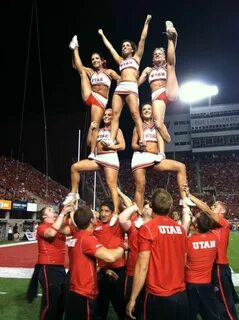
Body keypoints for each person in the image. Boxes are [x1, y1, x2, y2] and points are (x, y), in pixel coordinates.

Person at [127, 188, 189, 320]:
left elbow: (142, 266)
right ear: (170, 207)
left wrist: (133, 298)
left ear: (152, 206)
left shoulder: (147, 228)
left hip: (158, 296)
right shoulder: (181, 230)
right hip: (181, 294)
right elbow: (184, 260)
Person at [98, 14, 152, 147]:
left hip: (131, 87)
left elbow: (142, 39)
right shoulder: (120, 61)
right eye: (123, 46)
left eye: (127, 46)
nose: (124, 47)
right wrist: (102, 35)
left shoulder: (136, 58)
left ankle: (142, 138)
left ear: (132, 49)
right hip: (120, 88)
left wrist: (146, 22)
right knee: (115, 114)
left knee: (135, 114)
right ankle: (111, 139)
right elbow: (110, 49)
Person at [63, 108, 125, 223]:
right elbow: (89, 142)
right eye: (104, 114)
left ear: (113, 117)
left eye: (109, 115)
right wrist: (91, 129)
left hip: (110, 157)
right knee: (75, 167)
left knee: (111, 186)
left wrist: (111, 146)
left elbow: (122, 146)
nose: (106, 116)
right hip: (97, 158)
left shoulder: (116, 130)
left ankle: (116, 212)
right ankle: (73, 193)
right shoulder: (99, 130)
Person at [184, 191, 239, 320]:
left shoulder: (224, 224)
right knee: (216, 302)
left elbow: (207, 211)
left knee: (226, 303)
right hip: (212, 270)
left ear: (221, 213)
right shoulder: (211, 228)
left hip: (220, 268)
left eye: (214, 207)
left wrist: (190, 196)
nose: (211, 208)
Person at [64, 206, 126, 320]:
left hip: (74, 288)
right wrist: (123, 245)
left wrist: (104, 269)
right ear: (92, 220)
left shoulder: (76, 236)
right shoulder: (87, 238)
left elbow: (83, 261)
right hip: (84, 291)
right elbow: (110, 257)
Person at [131, 103, 195, 212]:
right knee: (140, 187)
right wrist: (141, 147)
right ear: (141, 113)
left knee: (181, 167)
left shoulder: (159, 124)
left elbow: (168, 139)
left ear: (153, 111)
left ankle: (184, 198)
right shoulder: (138, 126)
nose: (146, 111)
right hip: (140, 156)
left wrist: (160, 127)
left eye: (149, 109)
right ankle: (139, 215)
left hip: (155, 157)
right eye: (144, 109)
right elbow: (133, 145)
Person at [69, 36, 120, 158]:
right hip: (90, 95)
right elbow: (76, 66)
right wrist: (73, 55)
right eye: (92, 59)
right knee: (82, 73)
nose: (94, 60)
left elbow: (121, 79)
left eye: (97, 58)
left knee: (94, 124)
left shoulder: (109, 72)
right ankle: (74, 47)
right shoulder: (91, 71)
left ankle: (92, 152)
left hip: (100, 101)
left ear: (102, 60)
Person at [138, 21, 178, 151]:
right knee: (158, 124)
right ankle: (168, 140)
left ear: (164, 57)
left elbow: (171, 57)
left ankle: (171, 36)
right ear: (152, 59)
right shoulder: (148, 70)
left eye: (160, 54)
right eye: (155, 54)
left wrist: (172, 39)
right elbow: (137, 83)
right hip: (157, 96)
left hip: (169, 90)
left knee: (172, 66)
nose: (157, 55)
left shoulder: (167, 65)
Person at [181, 200, 221, 319]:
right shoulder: (215, 237)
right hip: (207, 284)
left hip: (191, 284)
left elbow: (182, 263)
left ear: (196, 225)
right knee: (212, 316)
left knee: (188, 316)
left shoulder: (188, 241)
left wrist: (187, 219)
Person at [35, 204, 74, 320]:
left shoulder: (58, 225)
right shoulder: (42, 226)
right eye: (50, 210)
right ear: (44, 216)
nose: (54, 211)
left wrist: (71, 207)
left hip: (59, 268)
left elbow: (72, 224)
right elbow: (51, 233)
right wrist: (62, 214)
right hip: (48, 267)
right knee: (50, 304)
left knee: (61, 303)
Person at [119, 201, 152, 319]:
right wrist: (134, 207)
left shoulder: (155, 227)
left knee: (145, 308)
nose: (147, 207)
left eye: (150, 207)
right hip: (132, 272)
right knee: (130, 306)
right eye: (146, 206)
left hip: (149, 273)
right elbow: (122, 218)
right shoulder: (135, 225)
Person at [93, 200, 126, 320]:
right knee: (101, 307)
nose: (103, 213)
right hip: (102, 271)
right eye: (101, 210)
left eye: (107, 211)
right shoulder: (95, 224)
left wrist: (117, 193)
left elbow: (131, 207)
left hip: (119, 270)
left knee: (121, 306)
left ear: (112, 213)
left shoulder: (118, 223)